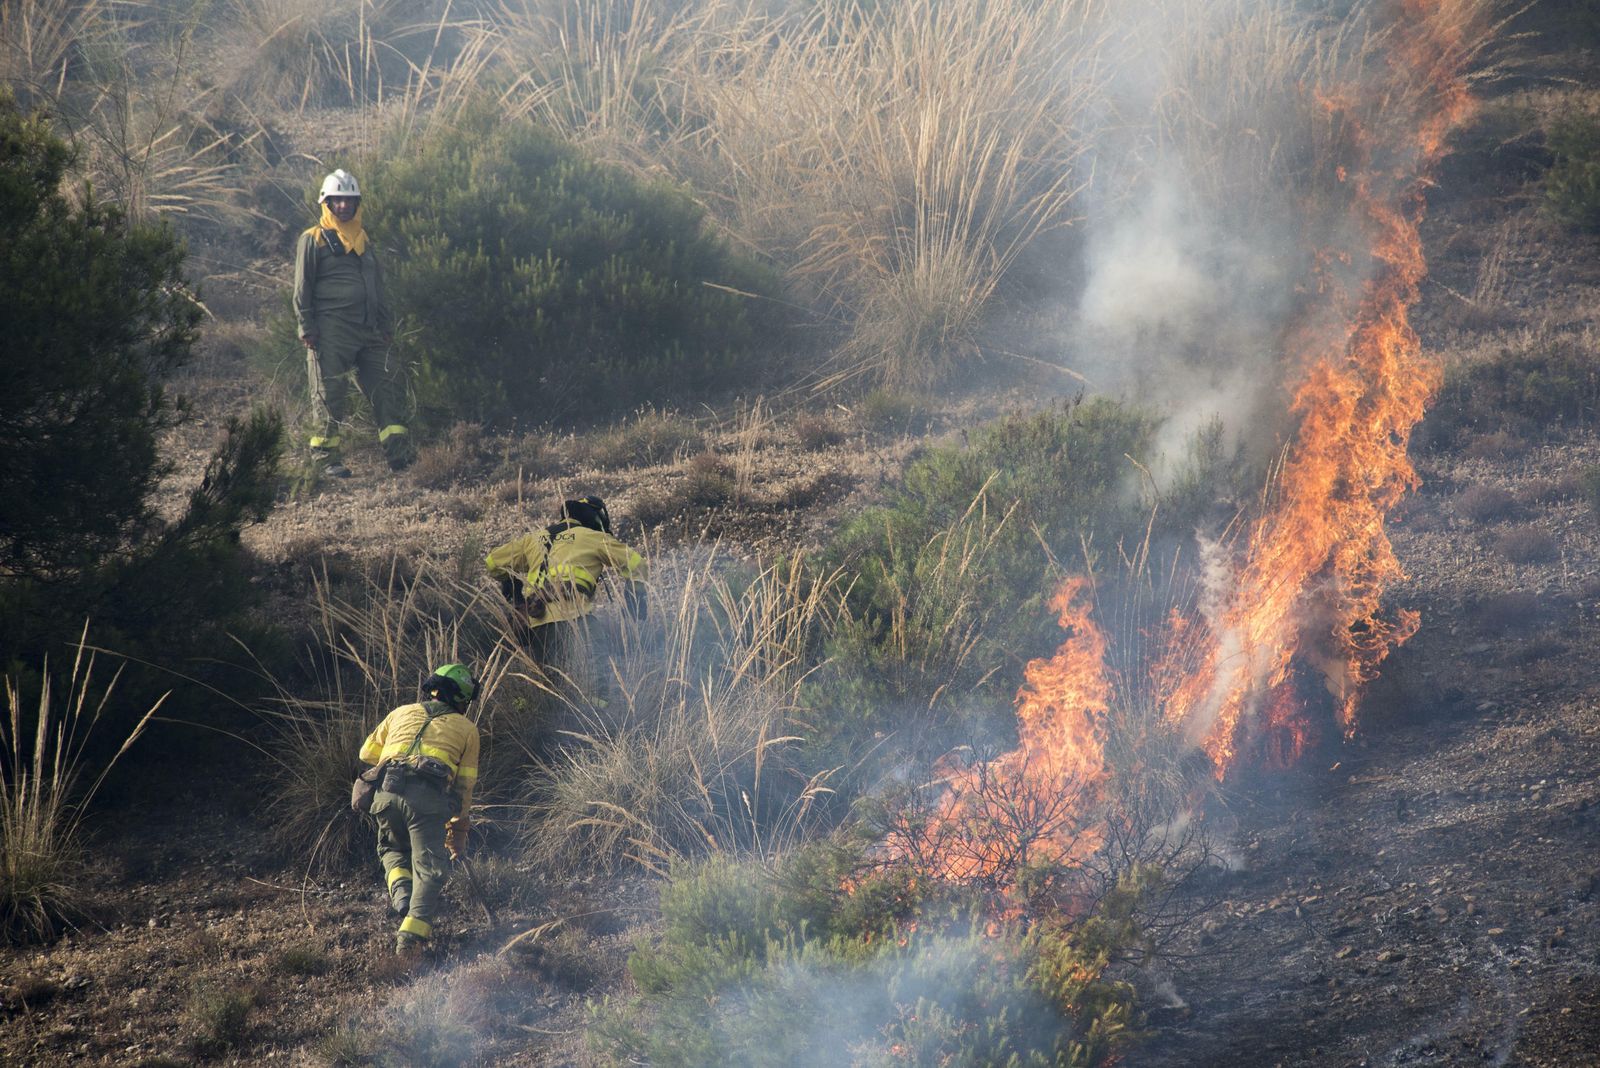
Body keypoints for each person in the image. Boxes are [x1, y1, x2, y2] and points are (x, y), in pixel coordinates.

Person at [293, 168, 412, 476]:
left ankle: (400, 455)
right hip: (331, 332)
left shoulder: (364, 240)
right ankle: (326, 460)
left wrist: (385, 326)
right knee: (329, 394)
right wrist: (306, 327)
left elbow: (378, 287)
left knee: (387, 388)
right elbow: (302, 288)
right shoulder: (312, 239)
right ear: (326, 203)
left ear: (356, 203)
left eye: (348, 200)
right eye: (337, 201)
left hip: (370, 330)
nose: (343, 206)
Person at [357, 663, 480, 957]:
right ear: (462, 699)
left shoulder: (400, 712)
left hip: (387, 793)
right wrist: (457, 830)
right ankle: (410, 940)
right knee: (430, 869)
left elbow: (367, 754)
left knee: (392, 849)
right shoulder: (467, 729)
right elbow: (465, 785)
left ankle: (401, 895)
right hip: (427, 802)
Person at [485, 496, 649, 659]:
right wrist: (635, 596)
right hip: (577, 619)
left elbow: (492, 562)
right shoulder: (592, 536)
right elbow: (637, 564)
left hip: (538, 625)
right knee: (597, 680)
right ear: (596, 517)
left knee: (554, 682)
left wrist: (511, 585)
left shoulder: (532, 539)